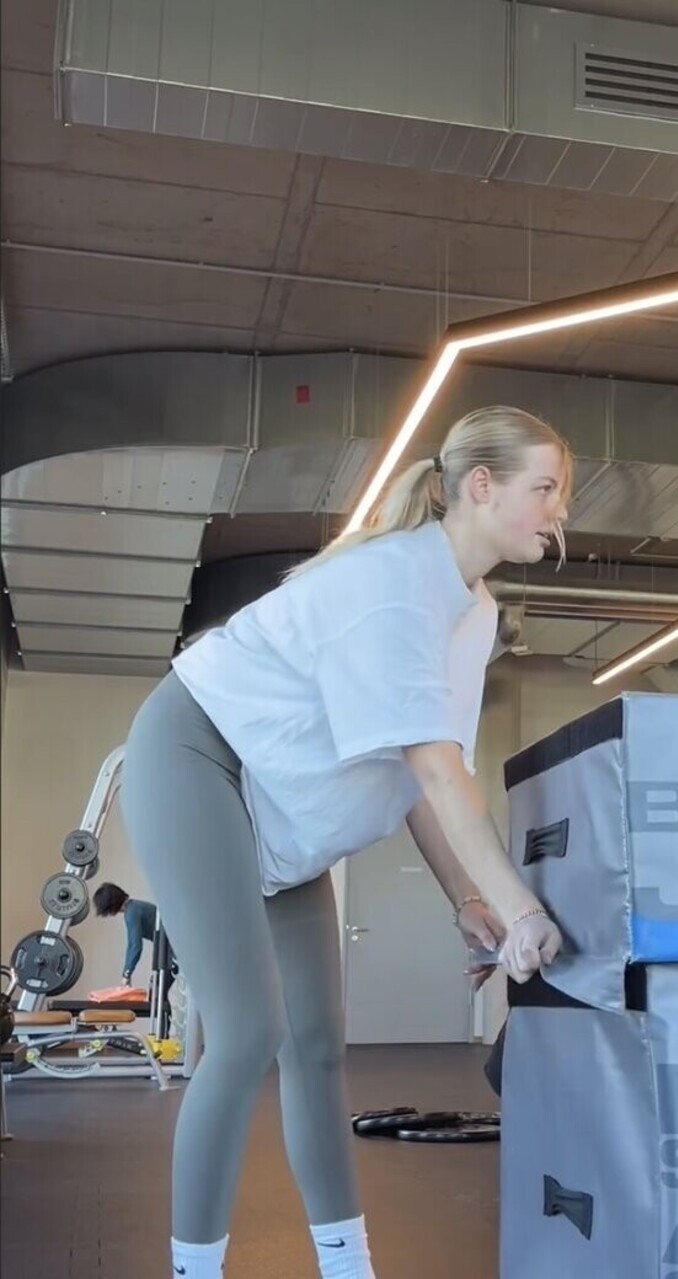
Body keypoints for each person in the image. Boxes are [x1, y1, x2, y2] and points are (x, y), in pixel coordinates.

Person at [120, 405, 571, 1279]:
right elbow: (437, 772)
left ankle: (347, 1265)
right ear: (481, 486)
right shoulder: (398, 584)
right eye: (546, 488)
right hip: (200, 755)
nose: (559, 511)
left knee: (321, 1044)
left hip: (287, 819)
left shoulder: (475, 612)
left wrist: (468, 899)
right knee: (246, 1031)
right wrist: (523, 910)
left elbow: (425, 774)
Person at [91, 882, 158, 986]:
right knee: (157, 985)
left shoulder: (131, 913)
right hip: (168, 945)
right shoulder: (133, 907)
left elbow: (136, 946)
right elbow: (131, 944)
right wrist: (126, 973)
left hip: (171, 946)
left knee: (157, 986)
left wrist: (127, 974)